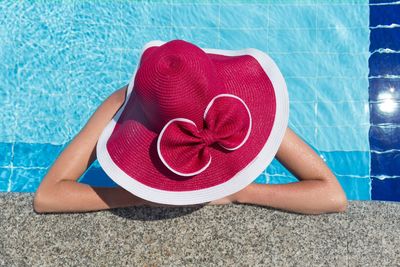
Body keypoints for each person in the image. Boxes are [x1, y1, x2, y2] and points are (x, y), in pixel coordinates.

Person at [33, 40, 348, 215]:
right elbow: (48, 196)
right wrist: (144, 197)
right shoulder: (127, 102)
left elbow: (332, 196)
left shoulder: (237, 108)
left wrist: (240, 192)